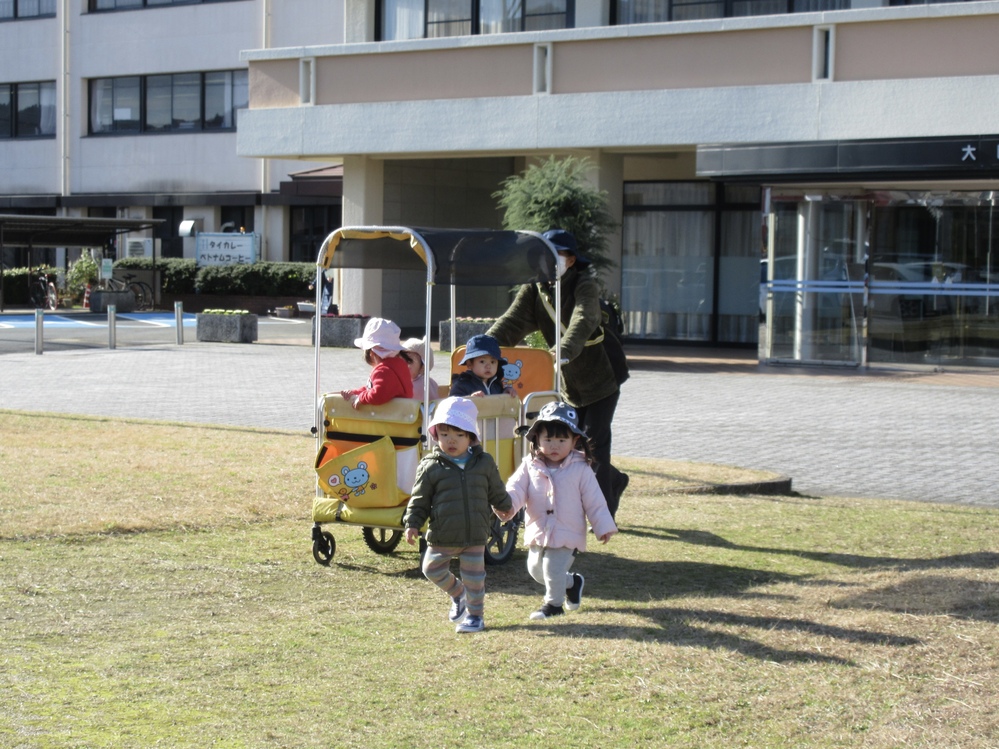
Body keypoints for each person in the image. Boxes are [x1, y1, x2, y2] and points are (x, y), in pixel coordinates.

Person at [487, 229, 629, 519]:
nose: (547, 262)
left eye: (555, 256)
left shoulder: (584, 284)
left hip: (602, 376)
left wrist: (565, 349)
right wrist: (482, 348)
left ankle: (602, 512)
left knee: (593, 443)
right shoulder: (535, 289)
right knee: (572, 443)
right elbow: (512, 322)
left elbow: (584, 317)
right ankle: (614, 479)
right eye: (542, 255)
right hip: (567, 382)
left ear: (571, 259)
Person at [404, 397, 513, 633]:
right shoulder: (431, 465)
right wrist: (412, 523)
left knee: (475, 578)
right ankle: (458, 593)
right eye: (445, 434)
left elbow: (496, 488)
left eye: (459, 435)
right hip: (444, 533)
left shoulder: (483, 462)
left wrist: (505, 506)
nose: (451, 440)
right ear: (436, 435)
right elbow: (419, 499)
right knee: (431, 568)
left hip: (475, 533)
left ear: (471, 437)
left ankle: (476, 616)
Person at [498, 401, 617, 620]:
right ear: (537, 439)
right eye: (548, 440)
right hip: (539, 529)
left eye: (562, 440)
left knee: (553, 569)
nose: (555, 446)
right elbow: (515, 489)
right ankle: (573, 582)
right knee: (536, 570)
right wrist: (507, 507)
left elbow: (595, 500)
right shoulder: (529, 464)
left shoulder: (581, 468)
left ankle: (553, 605)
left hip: (567, 531)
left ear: (575, 440)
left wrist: (603, 526)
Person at [340, 317, 413, 408]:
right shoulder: (401, 365)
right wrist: (355, 392)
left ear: (371, 353)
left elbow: (378, 394)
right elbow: (371, 389)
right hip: (403, 416)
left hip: (390, 419)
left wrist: (361, 398)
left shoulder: (383, 371)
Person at [449, 333, 516, 398]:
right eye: (482, 361)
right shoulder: (462, 384)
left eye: (493, 362)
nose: (488, 366)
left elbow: (500, 405)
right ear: (469, 364)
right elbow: (452, 403)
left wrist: (505, 392)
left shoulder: (496, 385)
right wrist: (469, 399)